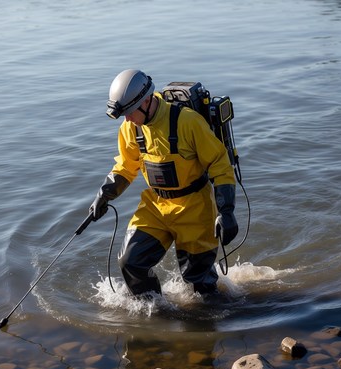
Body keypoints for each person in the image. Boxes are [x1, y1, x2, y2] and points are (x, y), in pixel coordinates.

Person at [89, 69, 238, 300]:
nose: (127, 119)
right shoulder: (131, 127)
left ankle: (211, 326)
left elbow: (220, 164)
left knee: (200, 285)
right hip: (156, 206)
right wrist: (104, 194)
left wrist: (226, 212)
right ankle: (155, 311)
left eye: (129, 112)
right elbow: (126, 166)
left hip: (195, 208)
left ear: (147, 100)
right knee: (130, 261)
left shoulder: (188, 122)